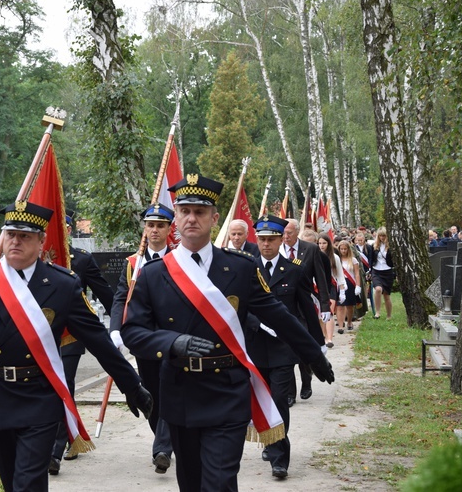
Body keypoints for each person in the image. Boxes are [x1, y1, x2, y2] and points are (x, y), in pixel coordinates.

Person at [121, 175, 334, 490]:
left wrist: (313, 354)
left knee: (220, 482)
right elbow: (133, 331)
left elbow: (278, 314)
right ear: (175, 218)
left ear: (214, 218)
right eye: (185, 211)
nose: (192, 218)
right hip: (180, 391)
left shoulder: (240, 268)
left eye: (200, 211)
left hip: (227, 390)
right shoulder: (155, 274)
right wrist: (171, 342)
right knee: (191, 482)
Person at [0, 200, 152, 491]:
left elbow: (97, 339)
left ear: (41, 241)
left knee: (28, 484)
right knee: (11, 482)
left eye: (24, 236)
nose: (15, 242)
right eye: (10, 234)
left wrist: (132, 385)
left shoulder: (62, 284)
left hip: (39, 395)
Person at [246, 215, 325, 480]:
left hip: (282, 349)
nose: (266, 244)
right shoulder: (246, 268)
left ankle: (280, 457)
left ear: (281, 240)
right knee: (259, 400)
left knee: (279, 401)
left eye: (271, 240)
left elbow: (305, 311)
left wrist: (317, 347)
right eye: (262, 240)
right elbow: (237, 307)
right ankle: (269, 442)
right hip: (255, 348)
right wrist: (257, 323)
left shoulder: (293, 270)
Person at [48, 210, 115, 474]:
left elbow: (105, 294)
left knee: (63, 387)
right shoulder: (39, 259)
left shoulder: (82, 260)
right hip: (41, 337)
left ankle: (54, 452)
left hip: (70, 336)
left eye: (65, 227)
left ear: (70, 229)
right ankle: (67, 436)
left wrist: (123, 326)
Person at [109, 203, 175, 474]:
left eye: (160, 225)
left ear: (170, 229)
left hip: (171, 337)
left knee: (171, 392)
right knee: (151, 397)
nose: (155, 230)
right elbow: (120, 298)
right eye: (151, 225)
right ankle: (166, 440)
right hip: (144, 340)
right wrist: (115, 329)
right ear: (145, 229)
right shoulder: (133, 264)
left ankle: (162, 449)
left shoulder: (180, 259)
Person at [282, 219, 331, 405]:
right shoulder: (277, 248)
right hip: (284, 306)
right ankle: (289, 392)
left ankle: (306, 381)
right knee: (286, 349)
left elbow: (321, 278)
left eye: (290, 233)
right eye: (283, 233)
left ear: (297, 232)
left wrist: (325, 306)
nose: (286, 237)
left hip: (304, 305)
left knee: (302, 346)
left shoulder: (310, 249)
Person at [336, 240, 361, 332]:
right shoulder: (336, 259)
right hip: (340, 282)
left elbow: (357, 274)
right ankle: (340, 325)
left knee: (349, 305)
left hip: (350, 282)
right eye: (341, 249)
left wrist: (358, 286)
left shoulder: (353, 260)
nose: (343, 251)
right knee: (340, 305)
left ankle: (349, 321)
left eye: (345, 249)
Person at [371, 227, 395, 319]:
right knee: (377, 289)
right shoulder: (374, 246)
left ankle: (389, 315)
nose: (382, 237)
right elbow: (371, 259)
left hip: (388, 271)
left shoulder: (391, 246)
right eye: (380, 235)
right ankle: (377, 312)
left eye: (384, 235)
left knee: (386, 295)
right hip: (376, 270)